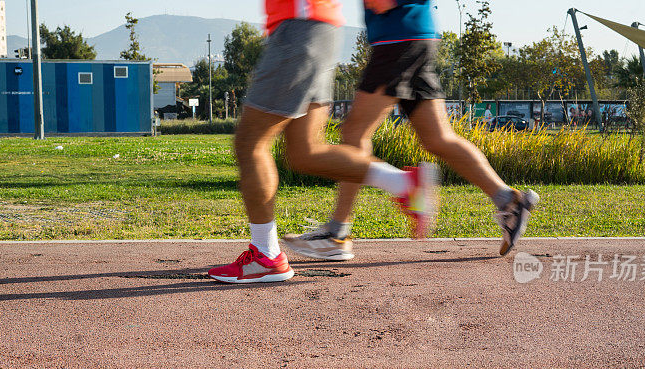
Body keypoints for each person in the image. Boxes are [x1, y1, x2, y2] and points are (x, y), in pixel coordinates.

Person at [282, 0, 538, 261]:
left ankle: (336, 233)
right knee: (438, 138)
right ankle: (508, 200)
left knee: (355, 133)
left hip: (396, 40)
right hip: (417, 36)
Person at [208, 0, 438, 284]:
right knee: (305, 151)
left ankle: (265, 255)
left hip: (298, 27)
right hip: (321, 29)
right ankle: (403, 183)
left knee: (250, 143)